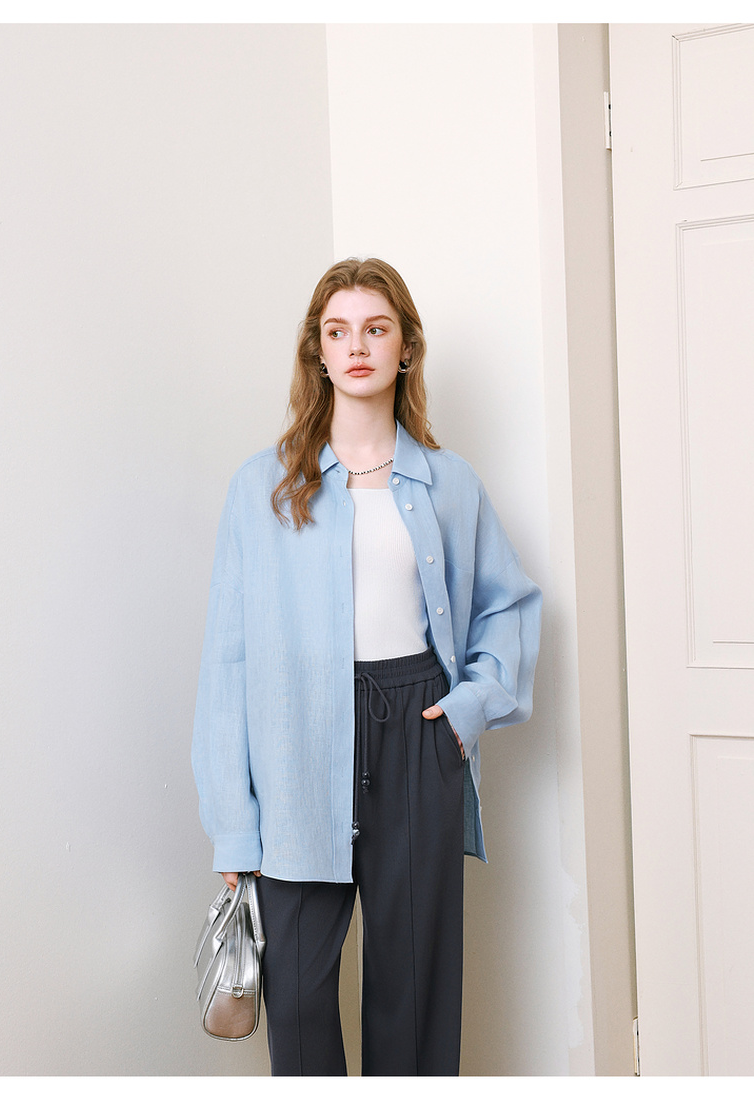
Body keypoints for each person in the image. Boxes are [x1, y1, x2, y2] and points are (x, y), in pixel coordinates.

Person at [192, 257, 541, 1077]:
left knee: (413, 991)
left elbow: (510, 605)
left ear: (405, 348)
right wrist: (233, 821)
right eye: (338, 331)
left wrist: (469, 708)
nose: (357, 347)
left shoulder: (450, 484)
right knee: (299, 997)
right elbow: (227, 662)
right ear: (317, 352)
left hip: (417, 725)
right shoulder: (263, 487)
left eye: (375, 329)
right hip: (296, 747)